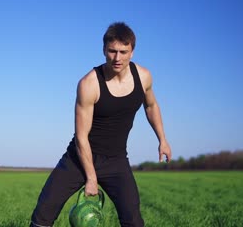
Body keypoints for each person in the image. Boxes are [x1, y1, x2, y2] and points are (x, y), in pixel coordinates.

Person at [30, 22, 172, 227]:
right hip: (79, 158)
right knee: (44, 210)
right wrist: (91, 177)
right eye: (112, 51)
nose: (117, 58)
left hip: (116, 160)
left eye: (123, 51)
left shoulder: (144, 77)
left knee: (132, 218)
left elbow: (151, 106)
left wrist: (162, 139)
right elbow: (81, 137)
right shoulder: (90, 84)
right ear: (104, 49)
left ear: (132, 51)